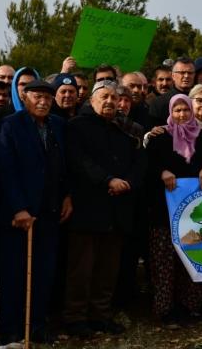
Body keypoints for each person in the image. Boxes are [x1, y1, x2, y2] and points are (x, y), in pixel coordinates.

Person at [64, 80, 144, 338]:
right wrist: (107, 180)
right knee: (81, 270)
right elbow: (79, 162)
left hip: (116, 210)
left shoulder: (125, 132)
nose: (110, 101)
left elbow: (138, 164)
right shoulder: (76, 127)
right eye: (104, 97)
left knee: (108, 270)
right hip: (88, 210)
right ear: (91, 100)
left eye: (114, 97)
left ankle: (101, 316)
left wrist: (127, 183)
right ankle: (76, 319)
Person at [0, 80, 73, 343]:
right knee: (14, 272)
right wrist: (19, 208)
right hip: (20, 215)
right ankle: (11, 328)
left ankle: (37, 325)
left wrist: (67, 197)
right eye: (37, 96)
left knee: (44, 272)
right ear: (24, 97)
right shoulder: (11, 125)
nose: (43, 102)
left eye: (48, 98)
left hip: (50, 211)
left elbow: (65, 167)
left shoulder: (57, 125)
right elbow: (6, 170)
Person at [146, 94, 202, 327]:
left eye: (185, 110)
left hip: (197, 216)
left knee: (194, 258)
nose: (182, 115)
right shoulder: (159, 138)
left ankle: (191, 307)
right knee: (164, 262)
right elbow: (147, 165)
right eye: (177, 110)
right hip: (163, 213)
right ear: (170, 112)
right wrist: (161, 172)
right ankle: (165, 310)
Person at [149, 57, 197, 126]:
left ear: (194, 75)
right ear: (173, 76)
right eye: (182, 72)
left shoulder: (200, 100)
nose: (186, 76)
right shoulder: (159, 103)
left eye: (190, 73)